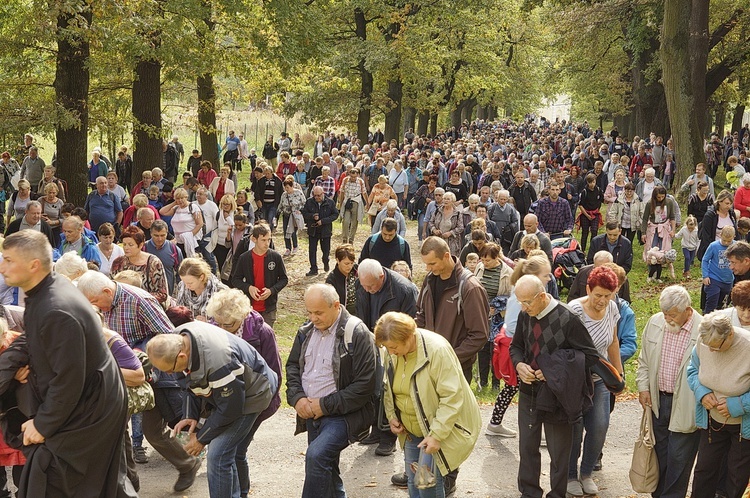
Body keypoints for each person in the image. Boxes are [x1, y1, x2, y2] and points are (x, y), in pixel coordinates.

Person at [0, 231, 132, 496]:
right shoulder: (45, 291)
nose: (2, 267)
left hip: (91, 408)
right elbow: (30, 340)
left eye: (8, 260)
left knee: (50, 478)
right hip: (86, 399)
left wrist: (43, 424)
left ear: (33, 265)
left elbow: (70, 378)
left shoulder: (56, 308)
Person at [77, 270, 203, 492]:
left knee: (154, 430)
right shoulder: (102, 301)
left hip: (152, 373)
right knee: (128, 430)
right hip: (120, 376)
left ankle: (186, 463)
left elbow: (168, 335)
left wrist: (139, 352)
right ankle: (130, 482)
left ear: (107, 291)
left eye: (95, 302)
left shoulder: (139, 300)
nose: (95, 308)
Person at [148, 321, 278, 498]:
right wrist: (190, 414)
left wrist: (201, 439)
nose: (170, 375)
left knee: (218, 455)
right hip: (229, 393)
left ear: (181, 357)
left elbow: (230, 410)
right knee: (227, 452)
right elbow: (189, 382)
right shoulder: (176, 340)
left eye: (169, 370)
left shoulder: (219, 361)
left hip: (252, 393)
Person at [509, 274, 600, 498]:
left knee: (559, 454)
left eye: (527, 301)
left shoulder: (568, 318)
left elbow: (590, 357)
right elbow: (516, 346)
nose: (523, 307)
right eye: (520, 301)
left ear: (542, 296)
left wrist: (553, 371)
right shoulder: (524, 315)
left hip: (557, 397)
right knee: (527, 448)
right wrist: (519, 364)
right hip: (529, 392)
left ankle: (557, 494)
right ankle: (529, 493)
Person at [285, 283, 376, 498]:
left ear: (336, 306)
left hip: (343, 415)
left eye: (318, 313)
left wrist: (324, 405)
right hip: (310, 413)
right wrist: (297, 399)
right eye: (309, 312)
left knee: (316, 456)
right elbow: (293, 367)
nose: (313, 318)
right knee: (327, 467)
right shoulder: (306, 331)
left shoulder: (357, 333)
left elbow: (365, 385)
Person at [377, 312, 481, 498]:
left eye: (393, 347)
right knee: (413, 482)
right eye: (387, 347)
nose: (390, 352)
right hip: (410, 431)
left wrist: (436, 435)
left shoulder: (437, 350)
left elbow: (451, 397)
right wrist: (392, 416)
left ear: (409, 337)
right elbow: (389, 386)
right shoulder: (391, 350)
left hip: (434, 428)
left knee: (426, 485)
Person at [414, 236, 488, 494]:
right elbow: (421, 314)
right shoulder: (430, 280)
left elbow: (479, 335)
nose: (429, 268)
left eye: (432, 263)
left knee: (449, 424)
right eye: (426, 264)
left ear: (447, 256)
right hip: (427, 365)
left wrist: (449, 358)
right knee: (428, 419)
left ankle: (449, 476)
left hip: (455, 367)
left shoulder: (469, 287)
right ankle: (425, 470)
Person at [205, 289, 282, 497]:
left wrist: (261, 410)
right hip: (225, 402)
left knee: (236, 450)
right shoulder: (213, 329)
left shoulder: (262, 332)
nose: (222, 329)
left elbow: (274, 373)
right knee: (228, 451)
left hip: (255, 402)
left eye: (228, 325)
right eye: (218, 323)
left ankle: (242, 492)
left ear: (242, 316)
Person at [637, 285, 702, 498]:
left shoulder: (702, 329)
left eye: (672, 314)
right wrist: (643, 387)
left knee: (679, 457)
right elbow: (644, 360)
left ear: (688, 310)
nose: (667, 318)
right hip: (658, 400)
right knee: (660, 454)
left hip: (687, 402)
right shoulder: (656, 322)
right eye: (665, 313)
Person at [566, 267, 623, 497]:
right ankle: (570, 475)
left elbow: (613, 341)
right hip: (576, 380)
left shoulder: (612, 308)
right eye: (598, 295)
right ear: (588, 289)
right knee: (575, 430)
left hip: (600, 378)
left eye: (607, 296)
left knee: (600, 426)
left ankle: (586, 472)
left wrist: (618, 374)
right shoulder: (575, 311)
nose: (602, 301)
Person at [355, 259, 417, 456]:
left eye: (371, 286)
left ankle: (388, 437)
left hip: (395, 347)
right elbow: (360, 313)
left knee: (390, 390)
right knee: (372, 388)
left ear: (381, 276)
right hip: (371, 343)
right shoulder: (363, 283)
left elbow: (410, 325)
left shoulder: (404, 290)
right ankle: (375, 429)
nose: (367, 289)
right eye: (364, 285)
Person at [686, 312, 750, 498]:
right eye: (709, 347)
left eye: (717, 347)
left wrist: (737, 405)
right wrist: (702, 392)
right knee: (704, 471)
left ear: (730, 334)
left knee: (736, 477)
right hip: (712, 421)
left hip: (742, 427)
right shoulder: (704, 341)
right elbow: (692, 371)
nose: (712, 351)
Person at [230, 223, 288, 327]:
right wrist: (249, 288)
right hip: (249, 307)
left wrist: (271, 290)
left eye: (269, 240)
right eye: (263, 240)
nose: (267, 243)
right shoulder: (245, 258)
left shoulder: (276, 257)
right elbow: (235, 279)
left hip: (269, 307)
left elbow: (284, 279)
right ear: (254, 239)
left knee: (266, 338)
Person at [473, 242, 512, 390]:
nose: (484, 262)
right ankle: (482, 381)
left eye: (487, 260)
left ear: (497, 258)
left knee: (495, 350)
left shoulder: (507, 272)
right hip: (481, 314)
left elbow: (512, 297)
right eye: (482, 259)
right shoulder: (479, 267)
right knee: (482, 348)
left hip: (498, 317)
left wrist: (496, 307)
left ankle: (496, 383)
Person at [110, 225, 169, 306]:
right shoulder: (118, 263)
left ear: (141, 245)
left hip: (147, 308)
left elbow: (162, 294)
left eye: (130, 245)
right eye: (124, 244)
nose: (126, 248)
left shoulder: (153, 263)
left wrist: (138, 299)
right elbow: (111, 287)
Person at [642, 186, 677, 282]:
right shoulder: (650, 204)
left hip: (664, 228)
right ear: (655, 196)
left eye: (662, 197)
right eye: (659, 197)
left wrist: (673, 230)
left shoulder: (669, 202)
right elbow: (645, 218)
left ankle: (658, 273)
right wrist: (643, 233)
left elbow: (672, 217)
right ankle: (651, 272)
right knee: (652, 249)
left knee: (663, 249)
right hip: (653, 228)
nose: (661, 199)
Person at [302, 185, 339, 276]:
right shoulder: (309, 202)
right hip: (313, 230)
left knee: (326, 251)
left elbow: (335, 215)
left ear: (323, 194)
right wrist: (312, 216)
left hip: (325, 230)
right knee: (312, 250)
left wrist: (323, 221)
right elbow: (304, 213)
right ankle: (313, 268)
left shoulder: (330, 202)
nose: (317, 197)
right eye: (315, 195)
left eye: (319, 195)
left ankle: (326, 262)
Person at [702, 225, 736, 314]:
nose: (726, 243)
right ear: (720, 235)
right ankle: (707, 320)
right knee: (712, 302)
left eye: (729, 241)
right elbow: (705, 260)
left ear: (734, 237)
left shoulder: (736, 246)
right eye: (724, 240)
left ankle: (718, 323)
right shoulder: (713, 246)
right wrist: (705, 275)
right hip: (714, 278)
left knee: (722, 304)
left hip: (728, 280)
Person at [145, 219, 183, 295]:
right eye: (156, 235)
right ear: (151, 234)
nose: (159, 239)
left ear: (167, 233)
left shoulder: (174, 249)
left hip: (168, 293)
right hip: (147, 293)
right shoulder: (144, 248)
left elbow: (181, 270)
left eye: (163, 235)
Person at [698, 190, 738, 261]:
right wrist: (711, 252)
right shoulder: (710, 215)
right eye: (727, 203)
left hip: (730, 250)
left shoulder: (731, 213)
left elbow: (736, 232)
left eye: (731, 204)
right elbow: (706, 236)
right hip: (715, 248)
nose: (729, 206)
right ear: (720, 202)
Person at [427, 191, 465, 257]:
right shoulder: (438, 211)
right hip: (438, 240)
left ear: (452, 201)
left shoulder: (457, 213)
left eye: (448, 199)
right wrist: (434, 230)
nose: (446, 201)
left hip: (452, 243)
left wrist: (450, 233)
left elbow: (460, 227)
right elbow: (430, 222)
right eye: (444, 199)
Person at [326, 244, 360, 316]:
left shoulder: (357, 270)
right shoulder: (332, 279)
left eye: (351, 263)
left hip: (360, 310)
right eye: (346, 264)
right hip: (343, 313)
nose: (350, 266)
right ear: (338, 260)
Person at [577, 173, 604, 253]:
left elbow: (601, 200)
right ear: (587, 183)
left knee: (594, 231)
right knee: (585, 232)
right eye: (590, 182)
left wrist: (597, 209)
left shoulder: (598, 190)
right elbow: (580, 205)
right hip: (586, 213)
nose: (592, 184)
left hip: (595, 214)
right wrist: (587, 215)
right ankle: (583, 250)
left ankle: (593, 250)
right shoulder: (584, 192)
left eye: (593, 182)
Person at [279, 176, 307, 256]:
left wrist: (300, 211)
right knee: (285, 231)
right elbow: (281, 204)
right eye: (285, 188)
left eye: (288, 187)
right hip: (286, 215)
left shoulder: (298, 193)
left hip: (294, 215)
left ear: (292, 186)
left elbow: (304, 203)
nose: (286, 189)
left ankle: (295, 246)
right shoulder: (284, 195)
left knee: (293, 231)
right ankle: (288, 248)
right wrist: (277, 215)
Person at [338, 167, 366, 244]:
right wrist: (341, 203)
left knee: (354, 222)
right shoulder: (346, 180)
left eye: (354, 177)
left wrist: (367, 203)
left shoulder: (360, 181)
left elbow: (364, 192)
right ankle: (344, 238)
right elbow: (342, 192)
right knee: (346, 221)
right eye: (352, 176)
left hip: (356, 202)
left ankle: (351, 239)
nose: (353, 178)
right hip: (347, 201)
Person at [675, 215, 699, 279]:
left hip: (693, 247)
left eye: (692, 227)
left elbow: (698, 240)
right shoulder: (684, 229)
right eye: (689, 227)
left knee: (690, 261)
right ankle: (687, 272)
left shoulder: (696, 231)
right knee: (687, 258)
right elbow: (678, 235)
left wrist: (697, 248)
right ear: (687, 225)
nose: (690, 229)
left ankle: (685, 270)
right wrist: (672, 235)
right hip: (685, 246)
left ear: (695, 225)